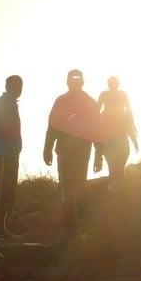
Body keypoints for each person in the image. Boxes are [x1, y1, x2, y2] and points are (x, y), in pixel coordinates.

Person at [43, 69, 102, 236]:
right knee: (72, 187)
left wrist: (98, 155)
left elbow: (98, 129)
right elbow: (52, 126)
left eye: (77, 80)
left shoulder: (87, 102)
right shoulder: (65, 101)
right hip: (68, 150)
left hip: (76, 151)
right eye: (73, 80)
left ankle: (76, 227)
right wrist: (47, 148)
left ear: (81, 82)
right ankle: (72, 227)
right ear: (68, 82)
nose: (75, 82)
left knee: (74, 187)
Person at [0, 74, 23, 238]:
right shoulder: (3, 103)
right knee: (2, 187)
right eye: (14, 86)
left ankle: (1, 227)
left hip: (10, 152)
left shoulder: (11, 104)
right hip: (3, 152)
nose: (17, 89)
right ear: (7, 87)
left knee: (8, 187)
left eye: (19, 86)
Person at [93, 76, 139, 188]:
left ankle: (116, 190)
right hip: (116, 138)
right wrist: (134, 139)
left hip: (112, 138)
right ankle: (118, 191)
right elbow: (129, 113)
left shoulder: (107, 97)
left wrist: (134, 137)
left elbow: (96, 111)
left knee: (114, 168)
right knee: (117, 168)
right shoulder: (120, 98)